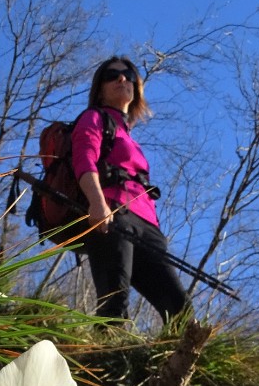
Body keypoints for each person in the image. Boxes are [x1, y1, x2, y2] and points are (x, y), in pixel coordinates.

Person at [72, 56, 188, 323]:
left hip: (148, 226)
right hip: (112, 214)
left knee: (180, 310)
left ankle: (181, 362)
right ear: (99, 90)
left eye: (128, 75)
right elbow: (84, 159)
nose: (122, 79)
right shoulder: (94, 117)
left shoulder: (129, 138)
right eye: (112, 75)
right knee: (115, 305)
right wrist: (96, 202)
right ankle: (106, 360)